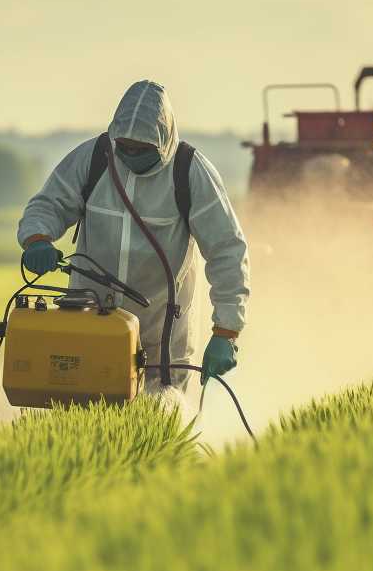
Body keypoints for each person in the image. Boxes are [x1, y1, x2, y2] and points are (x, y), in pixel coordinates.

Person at [16, 80, 250, 388]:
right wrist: (37, 239)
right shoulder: (94, 158)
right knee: (82, 400)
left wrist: (226, 332)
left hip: (162, 328)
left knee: (160, 413)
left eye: (142, 149)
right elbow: (48, 204)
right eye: (124, 147)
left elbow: (227, 251)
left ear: (163, 141)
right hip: (91, 317)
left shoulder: (190, 172)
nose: (131, 154)